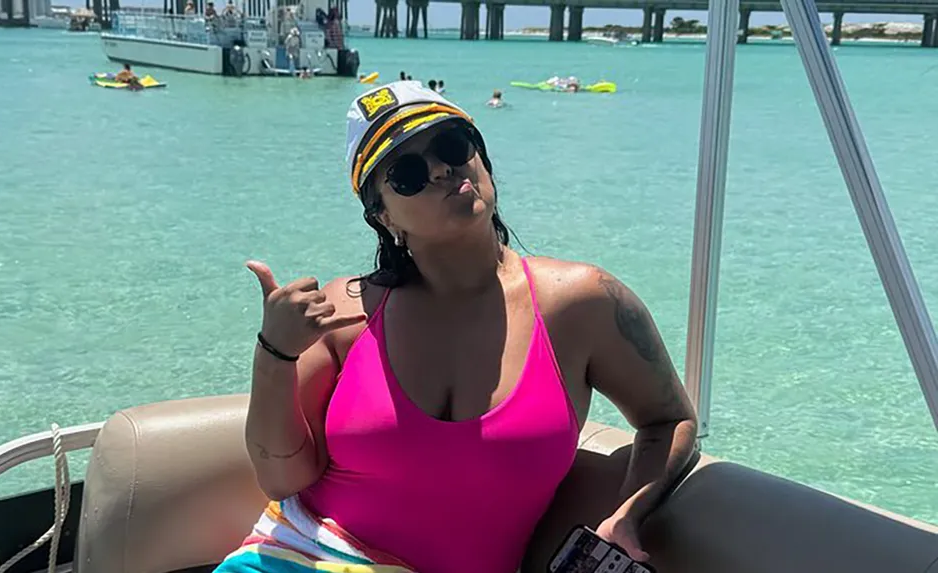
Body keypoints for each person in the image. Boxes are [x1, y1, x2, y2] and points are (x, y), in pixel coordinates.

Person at [217, 81, 698, 573]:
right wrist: (275, 353)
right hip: (302, 559)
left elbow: (668, 419)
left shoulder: (583, 302)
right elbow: (282, 479)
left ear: (482, 160)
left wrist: (627, 515)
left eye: (452, 145)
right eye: (408, 173)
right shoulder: (347, 312)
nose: (443, 169)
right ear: (381, 214)